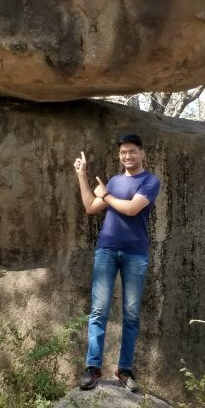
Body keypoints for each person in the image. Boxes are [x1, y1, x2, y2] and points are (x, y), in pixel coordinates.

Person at [73, 134, 161, 392]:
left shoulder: (150, 181)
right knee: (98, 310)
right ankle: (93, 368)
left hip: (136, 253)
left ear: (142, 153)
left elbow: (132, 209)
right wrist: (82, 175)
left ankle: (125, 370)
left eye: (132, 151)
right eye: (123, 152)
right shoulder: (113, 181)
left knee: (131, 314)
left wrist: (106, 196)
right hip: (107, 251)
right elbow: (90, 206)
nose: (127, 156)